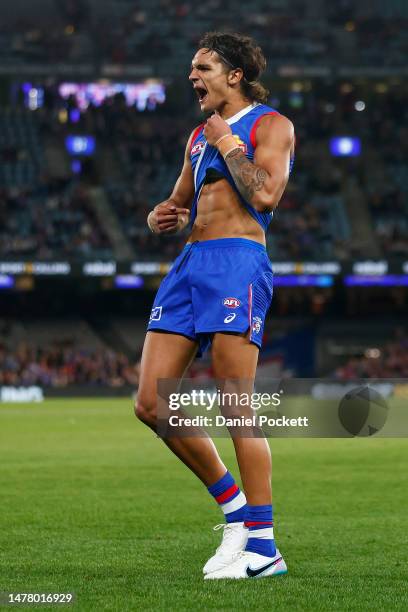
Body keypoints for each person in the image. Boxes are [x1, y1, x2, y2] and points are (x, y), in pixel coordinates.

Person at [135, 31, 295, 580]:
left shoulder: (271, 125)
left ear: (234, 74)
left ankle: (264, 544)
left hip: (237, 262)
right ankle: (234, 515)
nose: (192, 77)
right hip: (189, 266)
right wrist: (167, 214)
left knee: (235, 406)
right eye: (191, 68)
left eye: (202, 67)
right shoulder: (197, 136)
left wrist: (229, 142)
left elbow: (267, 194)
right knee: (152, 405)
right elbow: (181, 202)